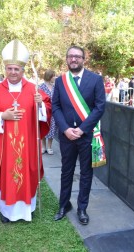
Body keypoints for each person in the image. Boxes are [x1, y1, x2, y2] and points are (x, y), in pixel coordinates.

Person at [0, 39, 51, 223]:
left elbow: (47, 109)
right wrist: (2, 116)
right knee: (7, 176)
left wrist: (40, 105)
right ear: (5, 69)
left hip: (28, 144)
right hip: (4, 147)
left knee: (28, 172)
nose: (13, 72)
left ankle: (28, 210)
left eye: (16, 69)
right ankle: (7, 212)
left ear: (23, 70)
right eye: (9, 69)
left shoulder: (34, 89)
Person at [52, 45, 105, 225]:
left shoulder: (96, 79)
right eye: (70, 56)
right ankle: (64, 204)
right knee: (66, 171)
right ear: (66, 59)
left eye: (77, 56)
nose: (73, 59)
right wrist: (66, 129)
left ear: (84, 59)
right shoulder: (61, 81)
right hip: (66, 135)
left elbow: (100, 107)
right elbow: (56, 106)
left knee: (86, 173)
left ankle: (82, 208)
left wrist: (82, 129)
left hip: (86, 135)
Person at [39, 69, 57, 155]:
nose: (55, 77)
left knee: (52, 129)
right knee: (43, 127)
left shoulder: (55, 87)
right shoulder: (41, 87)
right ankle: (43, 146)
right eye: (53, 76)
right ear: (49, 76)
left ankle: (49, 147)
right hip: (44, 111)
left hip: (53, 111)